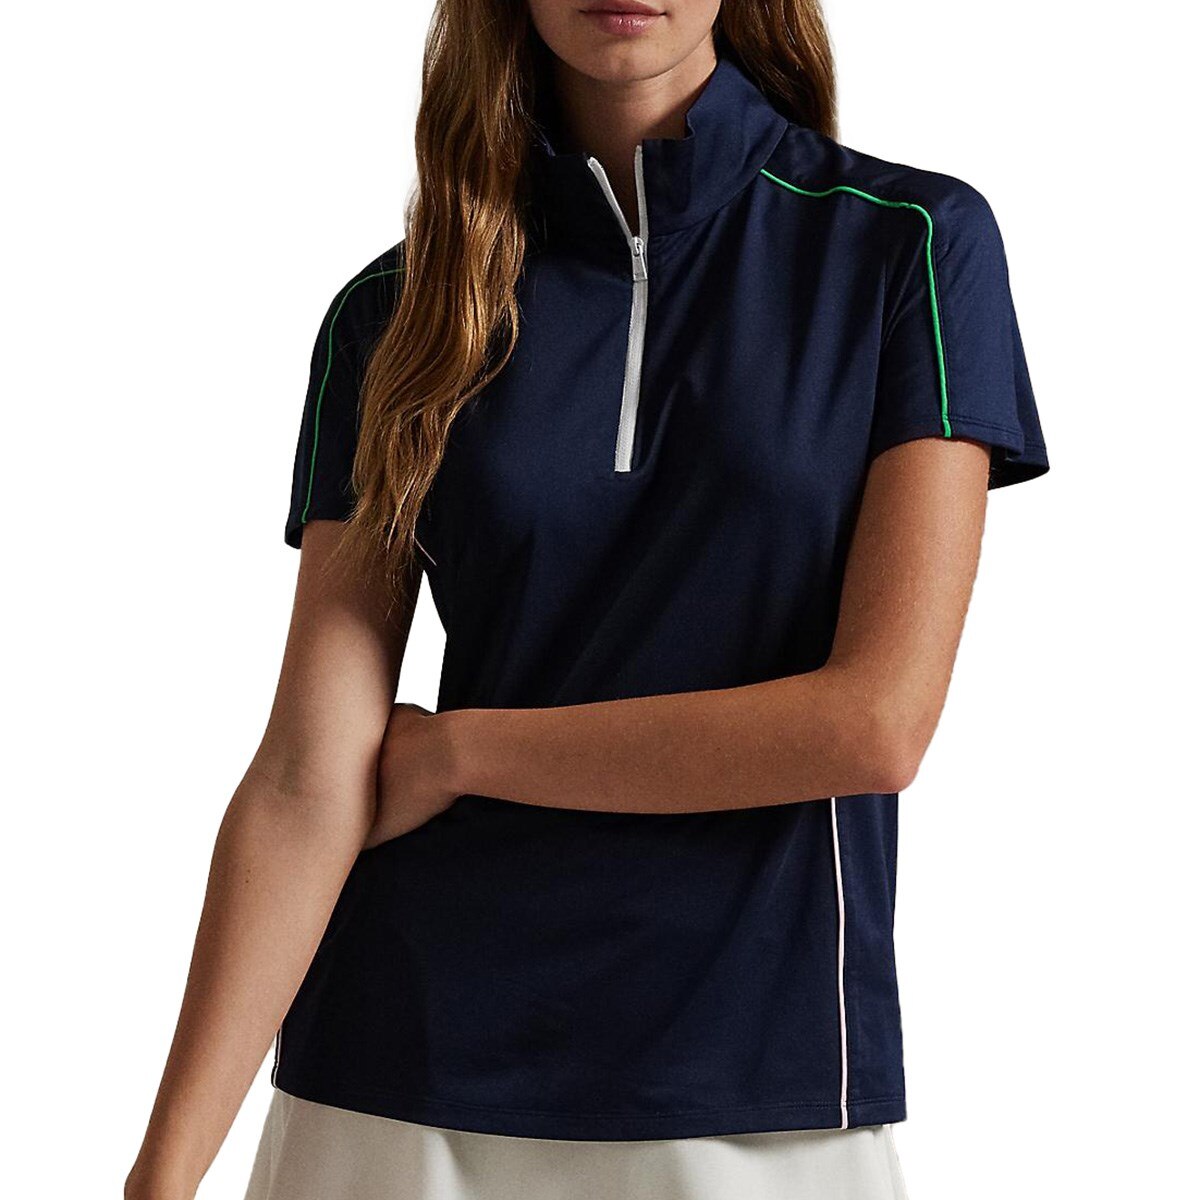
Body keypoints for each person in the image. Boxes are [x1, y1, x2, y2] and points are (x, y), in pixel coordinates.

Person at [125, 1, 1050, 1198]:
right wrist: (159, 1179)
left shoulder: (905, 244)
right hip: (396, 1079)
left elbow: (872, 726)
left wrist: (462, 752)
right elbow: (308, 776)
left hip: (755, 1087)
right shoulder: (393, 314)